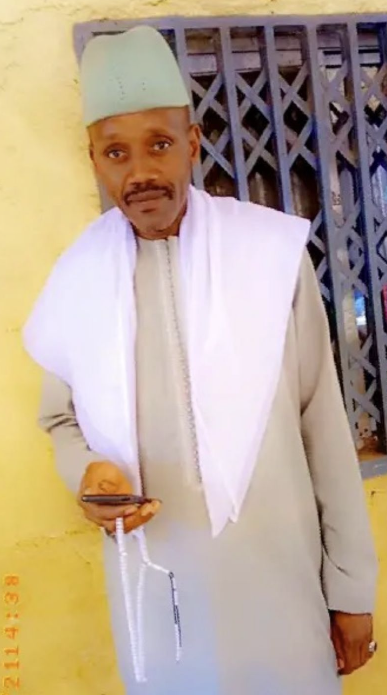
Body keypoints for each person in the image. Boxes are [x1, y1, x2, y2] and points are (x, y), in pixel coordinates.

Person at [23, 25, 378, 695]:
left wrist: (351, 589)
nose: (140, 172)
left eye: (159, 144)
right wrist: (87, 475)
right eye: (116, 152)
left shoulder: (269, 257)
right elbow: (60, 420)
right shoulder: (77, 282)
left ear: (191, 144)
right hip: (162, 600)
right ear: (95, 160)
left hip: (281, 588)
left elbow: (324, 427)